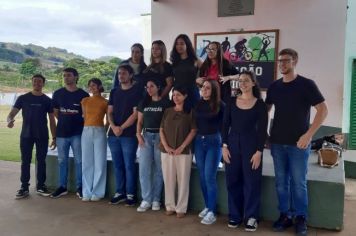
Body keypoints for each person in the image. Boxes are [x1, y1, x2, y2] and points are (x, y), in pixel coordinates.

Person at [265, 48, 328, 235]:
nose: (282, 64)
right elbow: (265, 111)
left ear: (295, 61)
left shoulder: (307, 85)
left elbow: (323, 110)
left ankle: (301, 218)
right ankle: (285, 216)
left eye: (286, 60)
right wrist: (265, 135)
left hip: (298, 145)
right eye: (280, 61)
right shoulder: (274, 86)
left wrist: (308, 135)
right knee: (281, 183)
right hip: (277, 143)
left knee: (299, 183)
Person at [222, 70, 268, 231]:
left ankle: (251, 217)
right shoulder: (231, 101)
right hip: (232, 144)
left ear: (253, 83)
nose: (243, 83)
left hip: (251, 145)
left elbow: (262, 130)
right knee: (232, 180)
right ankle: (235, 215)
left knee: (251, 181)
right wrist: (224, 146)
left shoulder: (260, 104)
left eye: (246, 80)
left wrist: (259, 152)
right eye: (240, 81)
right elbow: (225, 125)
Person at [7, 74, 56, 199]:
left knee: (41, 161)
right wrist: (9, 120)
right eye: (35, 81)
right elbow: (11, 113)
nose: (37, 84)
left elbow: (51, 120)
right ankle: (24, 187)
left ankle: (40, 186)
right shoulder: (23, 98)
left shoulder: (47, 100)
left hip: (42, 135)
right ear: (32, 82)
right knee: (25, 161)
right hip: (26, 135)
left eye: (40, 82)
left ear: (43, 84)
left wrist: (54, 137)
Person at [50, 68, 89, 199]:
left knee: (79, 161)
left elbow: (87, 115)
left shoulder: (83, 94)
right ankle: (62, 187)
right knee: (62, 161)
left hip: (77, 133)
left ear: (76, 77)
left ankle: (80, 187)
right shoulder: (58, 93)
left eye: (69, 75)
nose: (66, 78)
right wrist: (63, 120)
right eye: (64, 76)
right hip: (61, 133)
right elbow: (55, 111)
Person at [108, 64, 143, 206]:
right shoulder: (114, 91)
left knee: (129, 165)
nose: (120, 76)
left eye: (123, 73)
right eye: (119, 74)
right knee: (118, 165)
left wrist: (121, 127)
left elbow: (135, 114)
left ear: (130, 75)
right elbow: (109, 111)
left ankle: (130, 194)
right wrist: (113, 126)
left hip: (128, 134)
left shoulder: (136, 91)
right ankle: (119, 192)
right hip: (113, 134)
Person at [159, 86, 197, 218]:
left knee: (183, 180)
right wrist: (166, 146)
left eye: (178, 95)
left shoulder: (190, 112)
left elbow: (193, 131)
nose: (175, 97)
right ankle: (169, 205)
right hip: (166, 151)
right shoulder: (168, 111)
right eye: (174, 95)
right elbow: (161, 129)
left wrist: (181, 147)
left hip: (184, 151)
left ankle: (181, 207)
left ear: (185, 96)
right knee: (168, 179)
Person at [136, 78, 172, 212]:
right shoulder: (143, 103)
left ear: (158, 87)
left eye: (151, 86)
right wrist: (138, 135)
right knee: (144, 169)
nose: (149, 89)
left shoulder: (166, 103)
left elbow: (168, 124)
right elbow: (139, 122)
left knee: (159, 169)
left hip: (160, 138)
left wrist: (164, 140)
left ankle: (156, 199)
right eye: (147, 87)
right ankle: (146, 199)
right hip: (146, 137)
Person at [194, 80, 225, 225]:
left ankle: (212, 211)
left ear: (213, 90)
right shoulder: (198, 104)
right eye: (202, 87)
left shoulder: (221, 105)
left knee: (209, 176)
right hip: (199, 141)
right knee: (201, 176)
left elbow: (226, 127)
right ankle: (208, 206)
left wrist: (225, 145)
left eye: (207, 88)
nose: (204, 90)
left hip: (214, 142)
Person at [81, 78, 108, 202]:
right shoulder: (85, 101)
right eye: (90, 85)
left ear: (99, 86)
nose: (92, 87)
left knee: (100, 162)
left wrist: (104, 131)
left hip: (99, 131)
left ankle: (97, 192)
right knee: (87, 162)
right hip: (86, 130)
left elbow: (108, 120)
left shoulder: (105, 102)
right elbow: (85, 117)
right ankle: (86, 191)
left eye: (94, 85)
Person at [170, 34, 202, 108]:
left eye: (182, 43)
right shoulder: (174, 62)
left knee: (193, 116)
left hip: (192, 92)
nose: (179, 46)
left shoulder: (196, 60)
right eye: (177, 44)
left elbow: (206, 73)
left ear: (187, 45)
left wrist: (199, 81)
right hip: (177, 94)